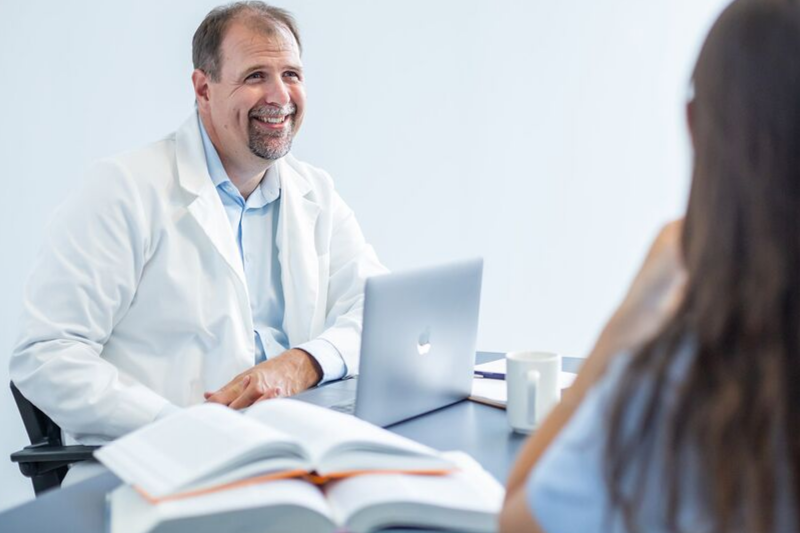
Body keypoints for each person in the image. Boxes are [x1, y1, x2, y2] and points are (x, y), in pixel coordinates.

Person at [10, 1, 386, 451]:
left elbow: (378, 313)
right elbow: (46, 355)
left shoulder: (314, 193)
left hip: (293, 448)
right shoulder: (123, 189)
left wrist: (302, 363)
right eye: (255, 76)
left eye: (291, 75)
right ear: (203, 88)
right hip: (164, 460)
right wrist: (185, 430)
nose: (280, 96)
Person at [499, 0, 800, 531]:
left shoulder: (666, 392)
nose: (293, 94)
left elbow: (519, 518)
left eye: (296, 74)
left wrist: (627, 321)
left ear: (694, 124)